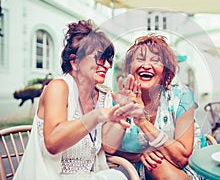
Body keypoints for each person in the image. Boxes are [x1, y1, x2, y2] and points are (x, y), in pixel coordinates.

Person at [14, 20, 142, 180]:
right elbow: (53, 143)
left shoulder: (104, 95)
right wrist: (96, 116)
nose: (107, 65)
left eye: (109, 59)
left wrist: (122, 115)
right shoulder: (59, 87)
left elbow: (108, 146)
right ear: (75, 62)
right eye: (100, 58)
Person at [105, 34, 196, 179]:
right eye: (140, 59)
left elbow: (182, 158)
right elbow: (108, 149)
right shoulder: (119, 100)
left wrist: (142, 122)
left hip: (180, 171)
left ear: (166, 72)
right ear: (130, 69)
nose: (146, 65)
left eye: (155, 60)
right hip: (135, 171)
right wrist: (138, 155)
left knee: (158, 164)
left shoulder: (182, 97)